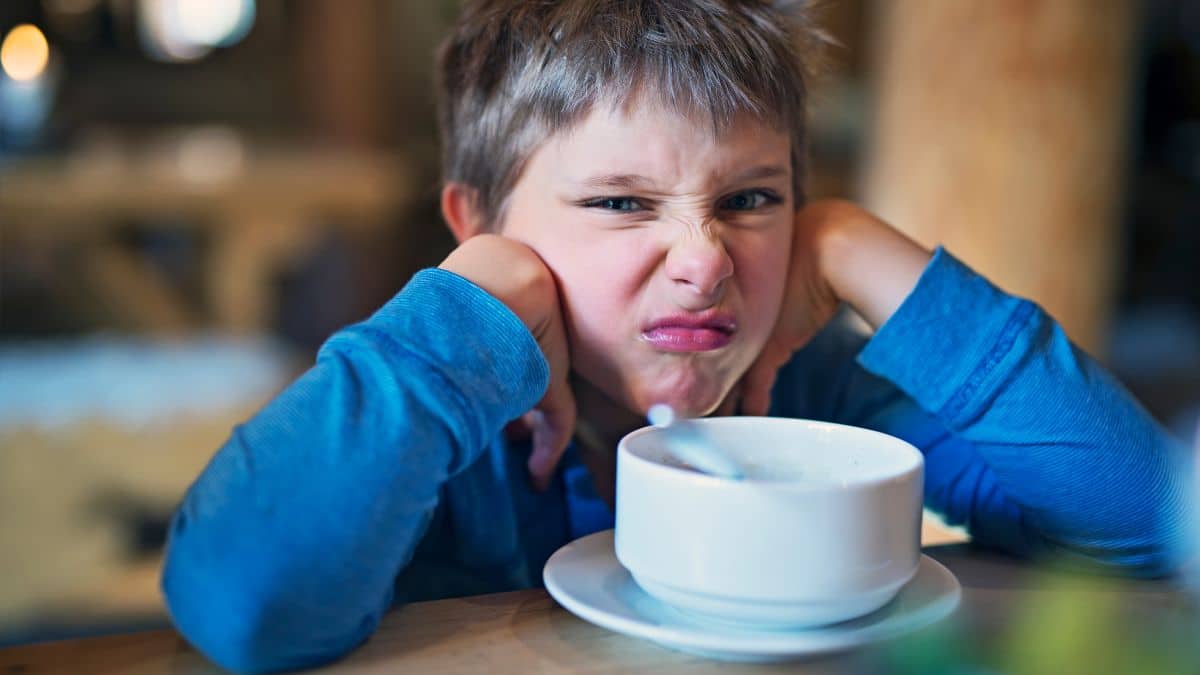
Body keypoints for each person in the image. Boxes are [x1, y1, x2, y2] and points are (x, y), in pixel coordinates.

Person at [161, 0, 1193, 672]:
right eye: (619, 203)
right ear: (476, 225)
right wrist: (469, 307)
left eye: (751, 198)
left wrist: (853, 244)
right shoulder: (432, 411)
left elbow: (1148, 520)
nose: (704, 258)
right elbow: (248, 606)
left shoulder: (815, 391)